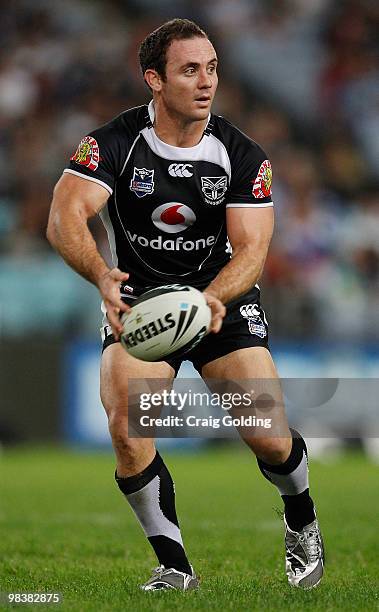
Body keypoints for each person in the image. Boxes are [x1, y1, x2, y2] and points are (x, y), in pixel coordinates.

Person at [47, 18, 324, 591]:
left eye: (213, 68)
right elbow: (64, 217)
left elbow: (252, 250)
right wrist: (101, 276)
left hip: (221, 301)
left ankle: (301, 517)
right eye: (190, 69)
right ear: (154, 78)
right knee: (127, 427)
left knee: (270, 438)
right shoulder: (112, 144)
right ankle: (174, 568)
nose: (206, 82)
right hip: (141, 306)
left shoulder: (242, 154)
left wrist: (210, 299)